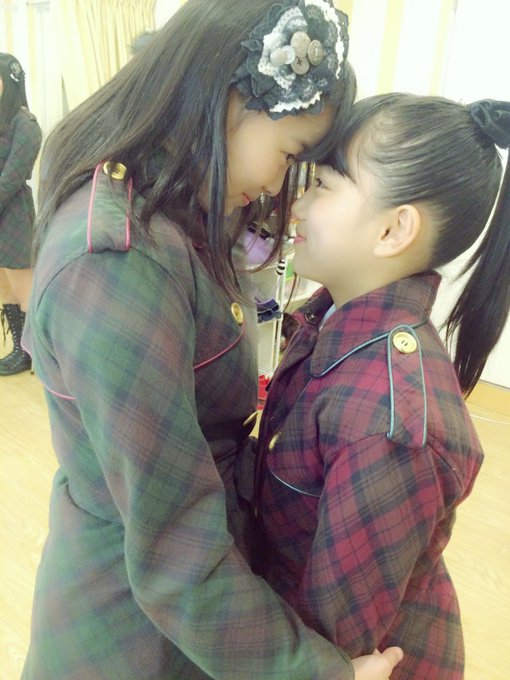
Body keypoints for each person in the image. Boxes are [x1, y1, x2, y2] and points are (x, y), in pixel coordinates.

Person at [21, 1, 403, 678]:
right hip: (136, 631)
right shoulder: (115, 266)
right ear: (227, 96)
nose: (278, 185)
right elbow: (174, 550)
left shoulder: (173, 213)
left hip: (188, 594)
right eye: (288, 156)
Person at [253, 93, 510, 679]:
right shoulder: (329, 321)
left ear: (394, 229)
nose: (297, 204)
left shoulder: (388, 425)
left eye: (323, 185)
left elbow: (335, 642)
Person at [0, 52, 42, 375]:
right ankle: (19, 348)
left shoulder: (25, 124)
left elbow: (11, 179)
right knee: (4, 285)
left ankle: (36, 351)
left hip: (13, 213)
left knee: (23, 286)